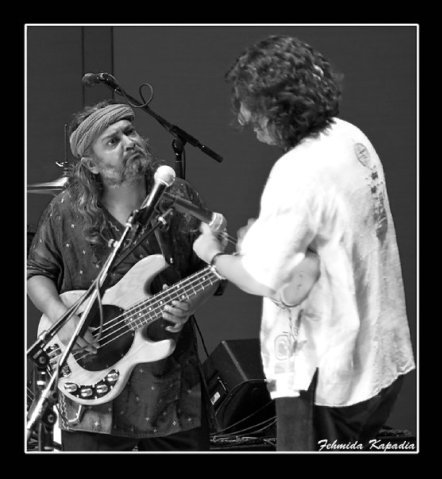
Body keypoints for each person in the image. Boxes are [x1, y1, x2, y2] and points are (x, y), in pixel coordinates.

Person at [193, 35, 416, 451]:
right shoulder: (351, 137)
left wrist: (213, 254)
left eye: (252, 106)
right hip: (379, 358)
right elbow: (328, 237)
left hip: (326, 379)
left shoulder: (297, 170)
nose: (245, 117)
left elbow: (261, 278)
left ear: (280, 105)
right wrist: (268, 238)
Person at [27, 99, 222, 451]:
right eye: (113, 141)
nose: (129, 142)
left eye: (129, 132)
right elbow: (36, 273)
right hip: (90, 390)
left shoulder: (177, 198)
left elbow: (212, 270)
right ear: (91, 164)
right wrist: (61, 319)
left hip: (169, 386)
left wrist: (193, 301)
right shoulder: (65, 210)